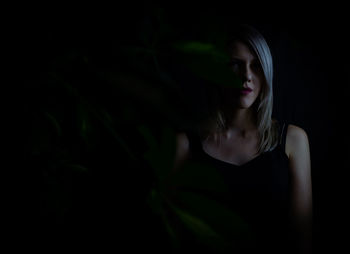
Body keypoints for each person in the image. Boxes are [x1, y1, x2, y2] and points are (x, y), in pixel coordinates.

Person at [166, 24, 313, 254]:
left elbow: (302, 239)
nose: (246, 76)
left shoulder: (293, 140)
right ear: (218, 71)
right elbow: (171, 234)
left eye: (255, 66)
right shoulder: (185, 144)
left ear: (266, 73)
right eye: (235, 64)